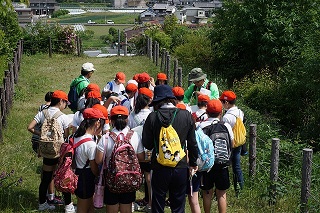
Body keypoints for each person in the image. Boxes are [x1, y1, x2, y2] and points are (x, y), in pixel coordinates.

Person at [142, 84, 198, 212]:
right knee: (178, 204)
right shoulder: (186, 115)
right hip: (180, 165)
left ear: (157, 101)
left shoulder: (152, 117)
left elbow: (147, 144)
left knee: (158, 203)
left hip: (159, 166)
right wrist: (193, 163)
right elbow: (193, 143)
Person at [27, 90, 76, 212]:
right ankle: (68, 206)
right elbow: (66, 136)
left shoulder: (42, 113)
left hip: (47, 151)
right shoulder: (63, 117)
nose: (66, 106)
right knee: (64, 177)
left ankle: (42, 204)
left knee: (46, 178)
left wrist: (42, 134)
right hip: (59, 151)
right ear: (60, 101)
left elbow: (30, 127)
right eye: (65, 103)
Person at [95, 106, 145, 213]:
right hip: (129, 178)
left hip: (112, 178)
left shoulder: (106, 138)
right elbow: (141, 157)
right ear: (127, 119)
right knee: (126, 207)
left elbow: (98, 160)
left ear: (111, 120)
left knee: (112, 206)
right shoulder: (135, 135)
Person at [199, 99, 234, 213]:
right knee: (222, 193)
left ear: (207, 112)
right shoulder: (226, 126)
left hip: (207, 165)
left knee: (207, 192)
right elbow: (232, 144)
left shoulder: (201, 126)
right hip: (222, 164)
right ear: (221, 113)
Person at [73, 108, 106, 213]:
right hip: (86, 176)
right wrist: (99, 176)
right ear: (97, 123)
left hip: (78, 172)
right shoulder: (90, 144)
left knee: (87, 204)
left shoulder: (77, 136)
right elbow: (94, 168)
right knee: (83, 208)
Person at [128, 87, 153, 212]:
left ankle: (131, 203)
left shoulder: (132, 114)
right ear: (149, 101)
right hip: (149, 149)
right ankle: (150, 204)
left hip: (135, 149)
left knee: (134, 176)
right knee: (149, 178)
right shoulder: (152, 114)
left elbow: (129, 130)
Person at [219, 90, 245, 196]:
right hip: (239, 143)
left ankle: (223, 187)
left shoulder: (227, 117)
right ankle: (239, 189)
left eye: (222, 101)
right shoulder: (240, 112)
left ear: (226, 103)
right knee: (237, 166)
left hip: (230, 143)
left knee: (224, 166)